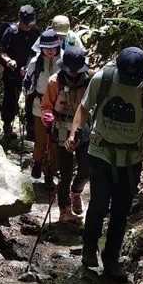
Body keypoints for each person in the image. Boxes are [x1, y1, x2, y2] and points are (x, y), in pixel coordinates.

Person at [67, 47, 143, 281]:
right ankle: (89, 248)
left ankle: (111, 259)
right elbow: (84, 108)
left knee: (120, 209)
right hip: (101, 150)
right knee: (98, 202)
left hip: (130, 158)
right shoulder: (104, 78)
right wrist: (73, 133)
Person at [42, 46, 92, 224]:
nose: (72, 73)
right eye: (70, 70)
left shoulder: (89, 81)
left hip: (83, 130)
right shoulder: (54, 82)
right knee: (66, 172)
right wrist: (47, 116)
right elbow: (46, 106)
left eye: (75, 70)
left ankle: (76, 192)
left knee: (87, 169)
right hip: (62, 128)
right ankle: (65, 209)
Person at [0, 5, 41, 139]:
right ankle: (7, 126)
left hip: (30, 72)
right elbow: (1, 50)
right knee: (10, 100)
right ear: (20, 19)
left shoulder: (35, 32)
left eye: (30, 24)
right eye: (26, 24)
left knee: (32, 100)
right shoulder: (11, 31)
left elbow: (39, 50)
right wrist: (9, 60)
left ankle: (31, 129)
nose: (28, 27)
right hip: (12, 73)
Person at [23, 30, 62, 179]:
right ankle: (38, 162)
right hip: (39, 105)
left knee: (55, 141)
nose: (50, 51)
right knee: (40, 139)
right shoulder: (35, 62)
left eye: (53, 47)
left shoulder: (64, 61)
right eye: (46, 48)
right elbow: (28, 83)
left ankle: (51, 171)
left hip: (59, 106)